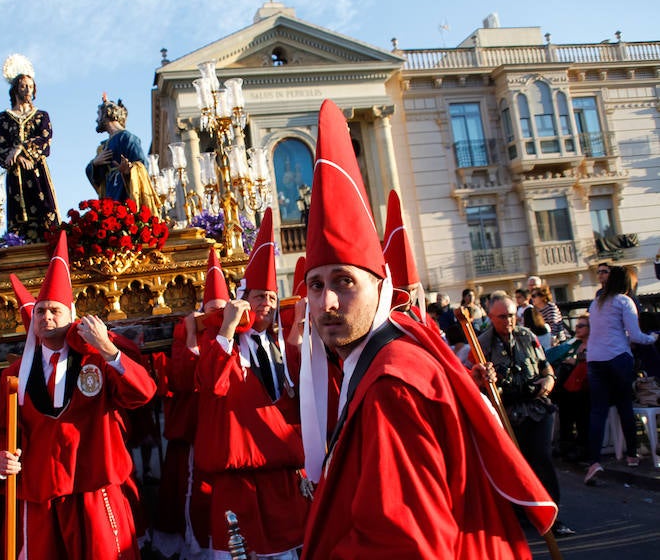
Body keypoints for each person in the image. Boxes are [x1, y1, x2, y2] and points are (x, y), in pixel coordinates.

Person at [299, 100, 556, 559]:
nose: (327, 303)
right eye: (315, 286)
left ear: (381, 288)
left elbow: (404, 546)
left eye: (344, 282)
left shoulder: (392, 384)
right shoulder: (388, 357)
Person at [0, 232, 157, 559]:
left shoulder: (96, 359)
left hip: (93, 489)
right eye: (40, 311)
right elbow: (1, 432)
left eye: (55, 310)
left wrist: (108, 349)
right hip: (40, 496)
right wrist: (0, 459)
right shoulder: (14, 375)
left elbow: (143, 394)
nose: (46, 317)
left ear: (71, 315)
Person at [194, 208, 309, 559]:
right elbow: (212, 382)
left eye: (272, 298)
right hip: (239, 479)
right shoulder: (222, 340)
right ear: (242, 299)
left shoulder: (280, 345)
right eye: (258, 295)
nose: (267, 303)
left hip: (283, 478)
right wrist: (228, 327)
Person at [477, 294, 574, 536]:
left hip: (536, 406)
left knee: (542, 459)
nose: (508, 320)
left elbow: (544, 365)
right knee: (516, 465)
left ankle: (552, 515)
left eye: (511, 315)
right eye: (502, 316)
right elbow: (473, 379)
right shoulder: (481, 344)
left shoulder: (527, 335)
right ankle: (520, 515)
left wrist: (550, 379)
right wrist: (483, 377)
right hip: (506, 410)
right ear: (491, 318)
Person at [152, 249, 227, 559]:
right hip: (195, 427)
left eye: (222, 310)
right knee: (190, 494)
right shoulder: (186, 331)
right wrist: (193, 336)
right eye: (211, 309)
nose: (216, 316)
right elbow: (184, 381)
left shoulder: (235, 333)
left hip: (224, 429)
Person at [584, 265, 658, 484]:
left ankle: (594, 462)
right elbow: (635, 335)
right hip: (617, 357)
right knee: (624, 405)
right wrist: (652, 338)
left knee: (598, 412)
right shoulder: (624, 301)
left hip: (595, 359)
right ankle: (632, 454)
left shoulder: (595, 303)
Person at [0, 57, 60, 242]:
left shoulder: (41, 115)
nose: (28, 90)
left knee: (44, 212)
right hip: (16, 174)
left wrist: (21, 149)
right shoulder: (4, 118)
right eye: (23, 86)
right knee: (18, 217)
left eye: (31, 86)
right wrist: (17, 158)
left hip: (36, 171)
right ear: (15, 89)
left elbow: (45, 140)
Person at [87, 94, 161, 213]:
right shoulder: (104, 146)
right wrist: (95, 164)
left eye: (99, 114)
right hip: (110, 196)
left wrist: (129, 170)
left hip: (125, 194)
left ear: (107, 113)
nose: (97, 119)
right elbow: (98, 179)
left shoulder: (127, 138)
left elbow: (143, 166)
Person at [551, 315, 590, 462]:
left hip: (586, 387)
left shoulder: (593, 344)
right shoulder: (574, 344)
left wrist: (574, 361)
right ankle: (566, 443)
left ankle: (580, 445)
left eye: (581, 326)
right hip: (571, 387)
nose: (577, 328)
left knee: (578, 405)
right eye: (577, 326)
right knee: (564, 403)